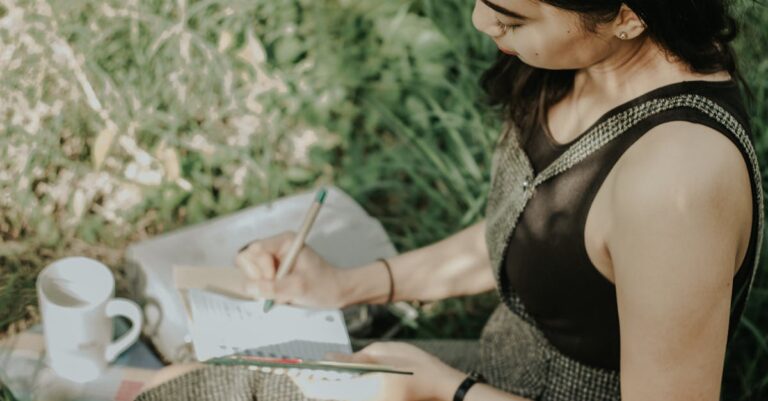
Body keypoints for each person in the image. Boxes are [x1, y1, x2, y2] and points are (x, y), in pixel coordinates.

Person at [135, 0, 764, 400]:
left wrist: (445, 390)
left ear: (628, 14)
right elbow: (535, 231)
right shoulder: (597, 61)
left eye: (513, 17)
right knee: (185, 386)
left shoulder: (678, 184)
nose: (479, 22)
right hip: (487, 369)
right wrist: (346, 286)